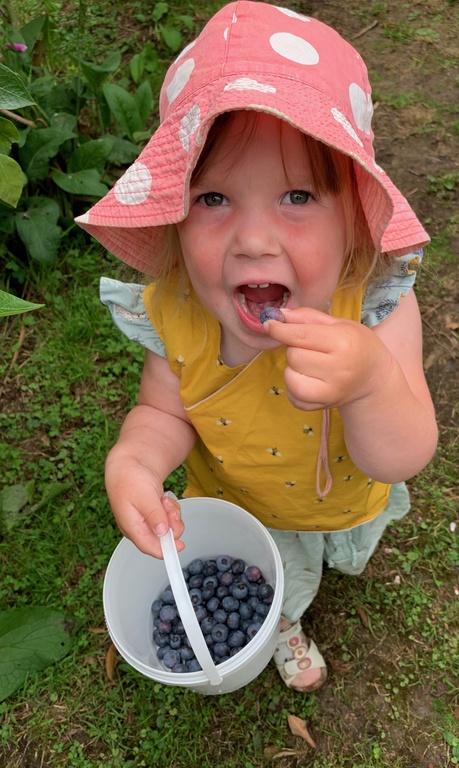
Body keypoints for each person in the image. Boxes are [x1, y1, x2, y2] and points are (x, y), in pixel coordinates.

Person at [76, 0, 437, 693]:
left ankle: (326, 557)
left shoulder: (373, 309)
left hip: (343, 489)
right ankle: (281, 621)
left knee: (340, 544)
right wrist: (134, 459)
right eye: (213, 199)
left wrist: (370, 382)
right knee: (272, 582)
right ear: (176, 215)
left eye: (297, 196)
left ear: (354, 219)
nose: (252, 240)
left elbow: (402, 454)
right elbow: (163, 412)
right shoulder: (179, 313)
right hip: (242, 507)